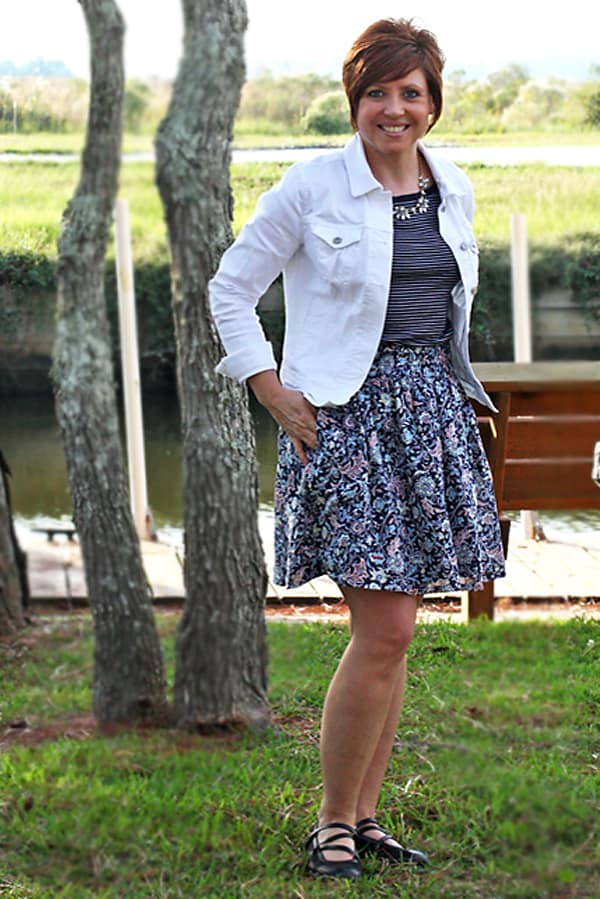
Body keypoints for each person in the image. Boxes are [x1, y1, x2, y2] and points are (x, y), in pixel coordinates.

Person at [209, 17, 506, 880]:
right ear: (355, 98)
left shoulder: (453, 188)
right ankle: (333, 821)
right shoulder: (311, 187)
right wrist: (268, 387)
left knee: (395, 636)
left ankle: (365, 815)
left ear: (432, 104)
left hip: (428, 416)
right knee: (387, 626)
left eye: (410, 93)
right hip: (344, 420)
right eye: (378, 91)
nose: (394, 108)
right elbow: (231, 291)